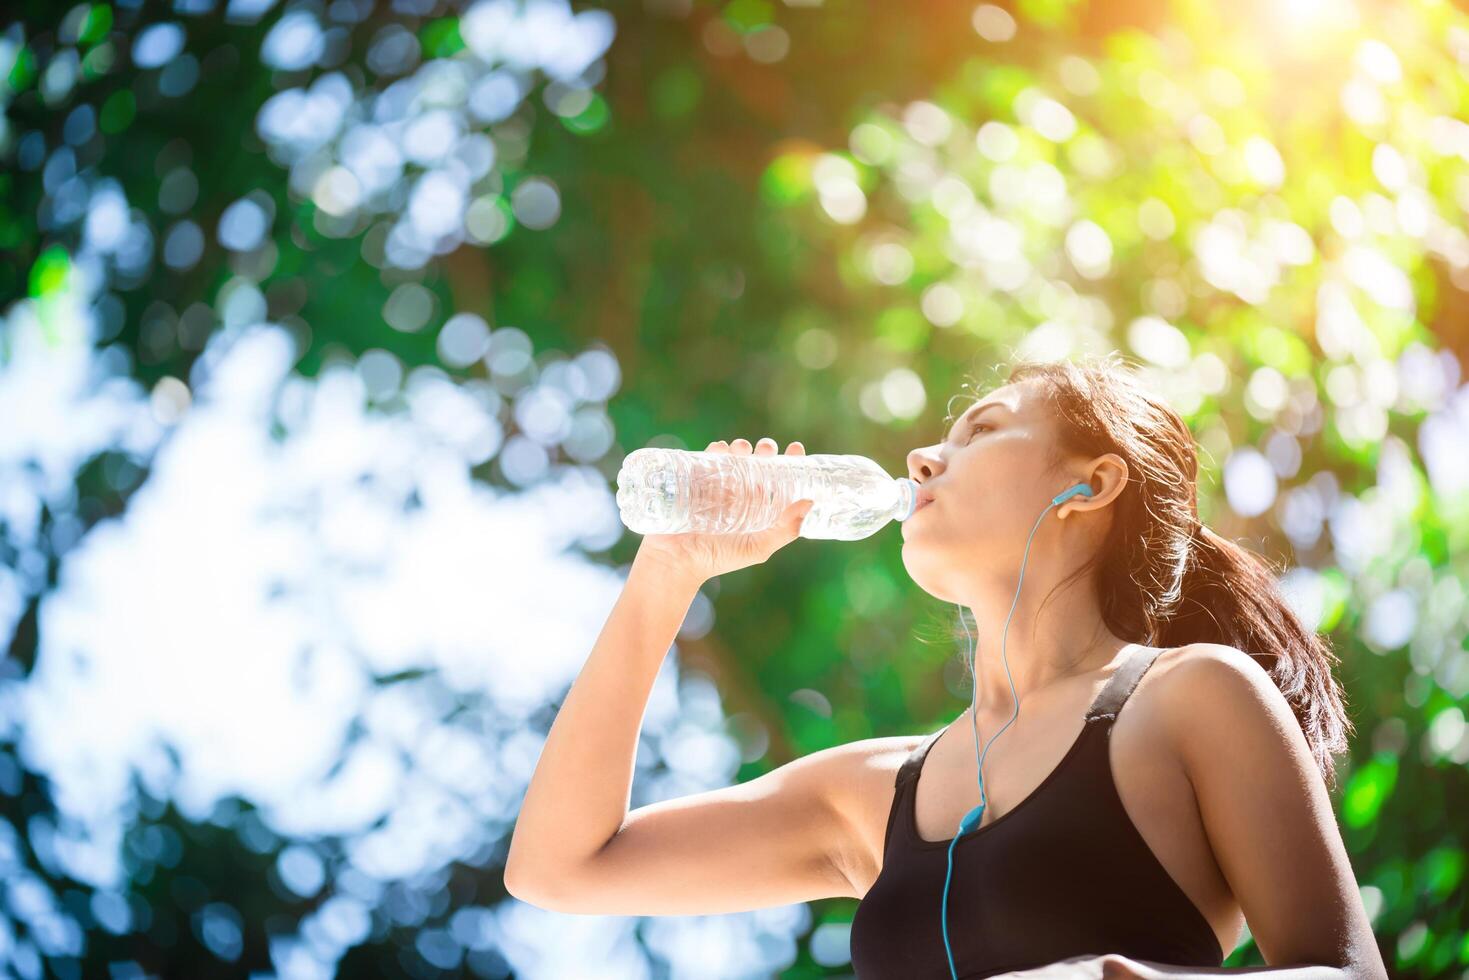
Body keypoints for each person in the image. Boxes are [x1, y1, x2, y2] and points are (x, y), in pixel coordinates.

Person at [504, 352, 1387, 979]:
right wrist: (670, 570)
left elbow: (1342, 973)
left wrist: (1109, 979)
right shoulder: (871, 793)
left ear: (1091, 485)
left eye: (983, 430)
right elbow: (559, 869)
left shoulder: (1193, 697)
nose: (923, 458)